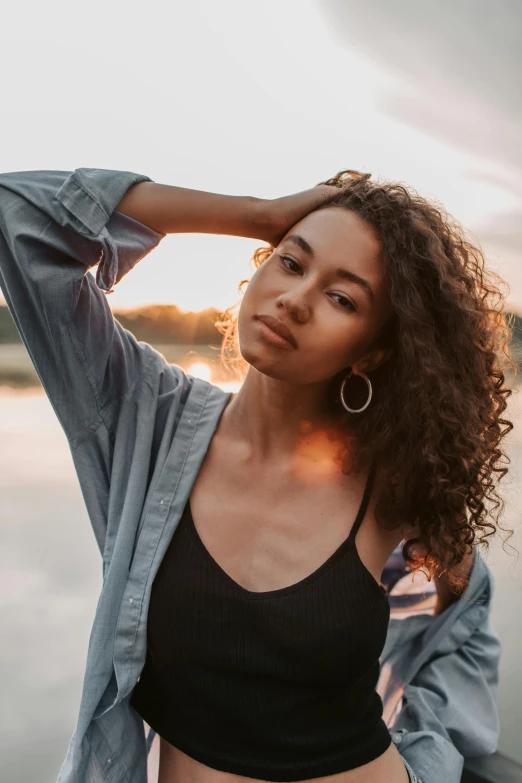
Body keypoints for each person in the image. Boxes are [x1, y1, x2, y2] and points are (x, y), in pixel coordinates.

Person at [0, 166, 512, 783]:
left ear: (371, 351)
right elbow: (19, 216)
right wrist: (256, 213)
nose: (295, 300)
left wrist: (431, 749)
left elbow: (463, 611)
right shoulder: (145, 418)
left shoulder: (395, 484)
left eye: (342, 298)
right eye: (291, 263)